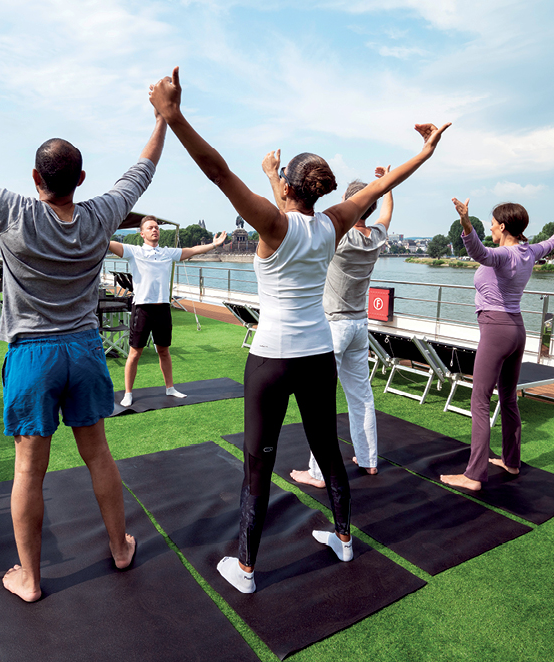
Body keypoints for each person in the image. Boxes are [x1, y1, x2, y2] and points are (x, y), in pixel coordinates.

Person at [149, 66, 449, 593]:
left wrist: (172, 115)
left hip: (270, 359)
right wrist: (425, 152)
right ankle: (343, 537)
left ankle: (245, 568)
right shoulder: (331, 223)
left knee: (257, 464)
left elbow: (218, 172)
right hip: (316, 354)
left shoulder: (273, 223)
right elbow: (383, 185)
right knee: (329, 449)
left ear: (285, 185)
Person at [0, 107, 168, 602]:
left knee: (27, 470)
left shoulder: (11, 210)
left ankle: (32, 579)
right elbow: (141, 171)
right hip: (84, 351)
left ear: (36, 178)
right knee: (98, 455)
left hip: (33, 356)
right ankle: (120, 548)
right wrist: (162, 117)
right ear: (81, 179)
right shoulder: (101, 214)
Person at [264, 157, 394, 484]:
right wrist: (387, 182)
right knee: (361, 395)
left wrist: (273, 177)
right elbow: (385, 215)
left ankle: (317, 472)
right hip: (359, 325)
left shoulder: (338, 236)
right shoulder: (375, 238)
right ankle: (369, 460)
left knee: (321, 404)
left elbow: (289, 217)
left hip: (332, 327)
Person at [441, 199, 554, 491]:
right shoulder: (530, 251)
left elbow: (478, 252)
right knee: (508, 398)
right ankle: (511, 462)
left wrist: (466, 220)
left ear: (503, 226)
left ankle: (474, 475)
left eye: (491, 223)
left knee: (479, 401)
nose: (489, 227)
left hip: (496, 329)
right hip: (517, 330)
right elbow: (551, 243)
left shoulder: (504, 254)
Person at [109, 219, 226, 405]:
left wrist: (214, 244)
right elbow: (107, 243)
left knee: (164, 351)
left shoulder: (167, 252)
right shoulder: (134, 251)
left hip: (163, 308)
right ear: (142, 233)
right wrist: (95, 231)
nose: (155, 230)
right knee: (134, 353)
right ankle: (128, 393)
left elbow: (193, 250)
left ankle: (170, 388)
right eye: (150, 228)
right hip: (142, 308)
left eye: (156, 227)